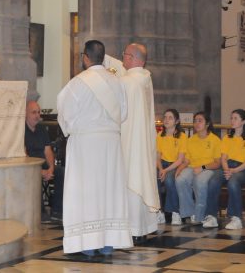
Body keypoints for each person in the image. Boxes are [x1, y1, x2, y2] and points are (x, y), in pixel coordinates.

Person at [56, 40, 132, 256]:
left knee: (87, 192)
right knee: (109, 191)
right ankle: (108, 242)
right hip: (111, 144)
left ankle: (89, 244)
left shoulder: (77, 83)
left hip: (86, 145)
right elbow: (123, 113)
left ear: (85, 57)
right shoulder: (117, 82)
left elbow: (65, 116)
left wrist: (72, 128)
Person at [120, 43, 160, 241]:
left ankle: (134, 229)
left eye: (125, 55)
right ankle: (144, 228)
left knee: (132, 182)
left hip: (130, 141)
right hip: (142, 140)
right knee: (141, 179)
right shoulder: (145, 78)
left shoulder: (128, 82)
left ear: (134, 58)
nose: (122, 58)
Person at [204, 109, 245, 230]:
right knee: (213, 180)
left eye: (235, 118)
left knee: (233, 182)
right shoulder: (227, 138)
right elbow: (223, 158)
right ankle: (211, 216)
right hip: (227, 167)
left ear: (243, 121)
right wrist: (228, 170)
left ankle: (236, 218)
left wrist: (234, 171)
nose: (232, 121)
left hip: (243, 169)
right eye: (231, 118)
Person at [175, 111, 221, 225]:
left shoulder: (215, 140)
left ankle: (199, 216)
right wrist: (179, 169)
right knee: (180, 179)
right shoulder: (191, 140)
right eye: (195, 121)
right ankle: (189, 212)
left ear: (207, 124)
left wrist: (202, 167)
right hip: (192, 167)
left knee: (199, 181)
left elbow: (217, 163)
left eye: (200, 121)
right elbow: (187, 160)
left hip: (208, 168)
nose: (196, 123)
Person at [24, 100, 64, 221]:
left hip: (44, 164)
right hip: (30, 166)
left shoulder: (41, 129)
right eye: (33, 112)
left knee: (61, 172)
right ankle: (40, 212)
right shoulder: (21, 130)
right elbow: (24, 155)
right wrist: (40, 171)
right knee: (33, 174)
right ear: (25, 114)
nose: (37, 115)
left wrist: (51, 168)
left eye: (38, 112)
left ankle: (57, 210)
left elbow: (48, 151)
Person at [157, 109, 187, 225]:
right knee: (154, 179)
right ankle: (159, 212)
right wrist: (160, 169)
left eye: (170, 118)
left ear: (177, 121)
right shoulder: (160, 135)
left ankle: (175, 212)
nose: (166, 120)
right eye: (165, 117)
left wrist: (165, 170)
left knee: (169, 180)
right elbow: (157, 156)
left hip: (174, 165)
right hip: (162, 165)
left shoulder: (182, 136)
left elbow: (180, 160)